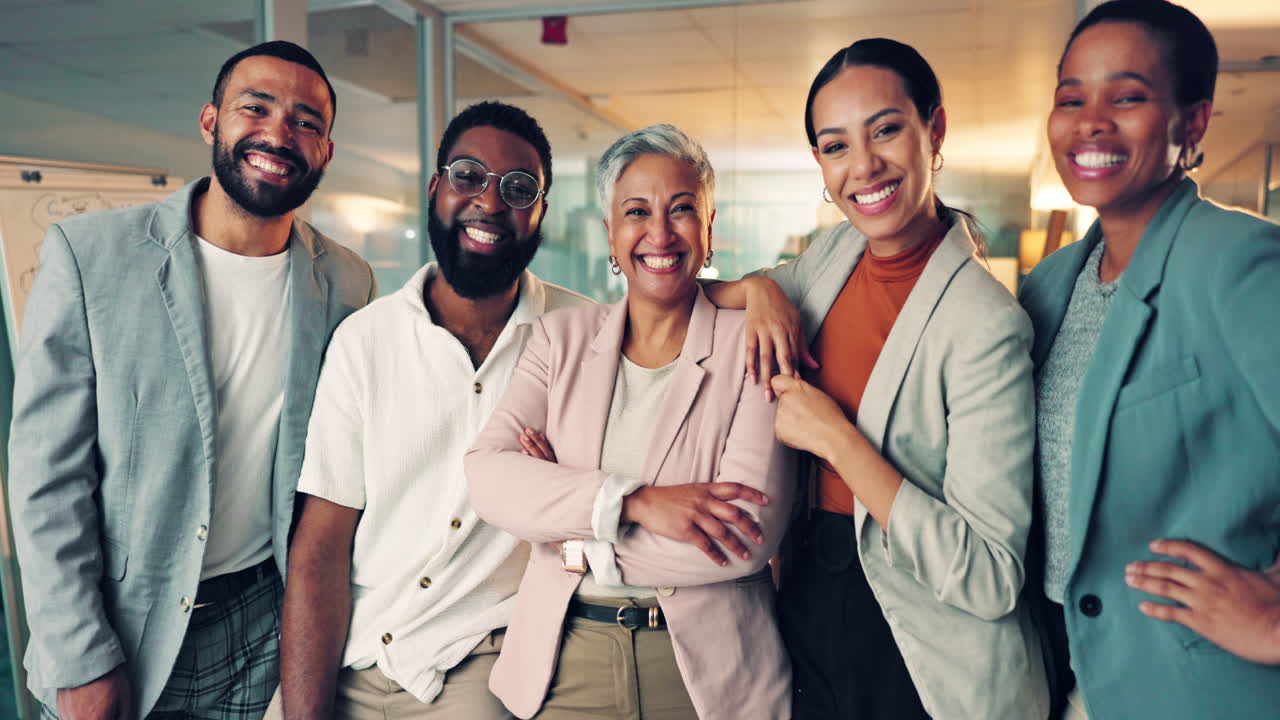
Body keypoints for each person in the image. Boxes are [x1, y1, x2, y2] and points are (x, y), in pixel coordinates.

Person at [8, 41, 375, 720]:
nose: (278, 133)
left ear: (324, 151)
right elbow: (46, 478)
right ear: (211, 121)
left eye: (306, 122)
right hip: (127, 630)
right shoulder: (90, 256)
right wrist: (78, 654)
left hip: (271, 623)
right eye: (255, 108)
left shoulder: (347, 281)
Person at [704, 38, 1048, 720]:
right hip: (808, 589)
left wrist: (837, 439)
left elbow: (990, 575)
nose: (864, 167)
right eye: (836, 146)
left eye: (886, 130)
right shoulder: (834, 252)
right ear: (819, 164)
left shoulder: (987, 323)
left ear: (934, 131)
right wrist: (759, 291)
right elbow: (699, 299)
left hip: (922, 639)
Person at [272, 101, 589, 720]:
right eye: (469, 175)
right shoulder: (365, 340)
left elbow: (683, 310)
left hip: (476, 661)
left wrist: (755, 292)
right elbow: (320, 550)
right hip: (354, 649)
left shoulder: (585, 334)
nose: (491, 203)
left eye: (519, 189)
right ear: (436, 187)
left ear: (541, 212)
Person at [465, 124, 793, 720]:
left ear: (710, 230)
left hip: (704, 675)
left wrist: (564, 526)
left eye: (683, 210)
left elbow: (743, 538)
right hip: (565, 662)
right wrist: (638, 503)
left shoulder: (754, 343)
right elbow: (488, 478)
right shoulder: (558, 340)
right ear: (611, 237)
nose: (660, 233)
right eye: (636, 211)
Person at [1020, 1, 1280, 717]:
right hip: (1073, 680)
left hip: (1203, 688)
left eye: (1126, 97)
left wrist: (1273, 619)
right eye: (1071, 98)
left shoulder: (1239, 263)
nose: (1091, 121)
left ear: (1192, 122)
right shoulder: (1047, 290)